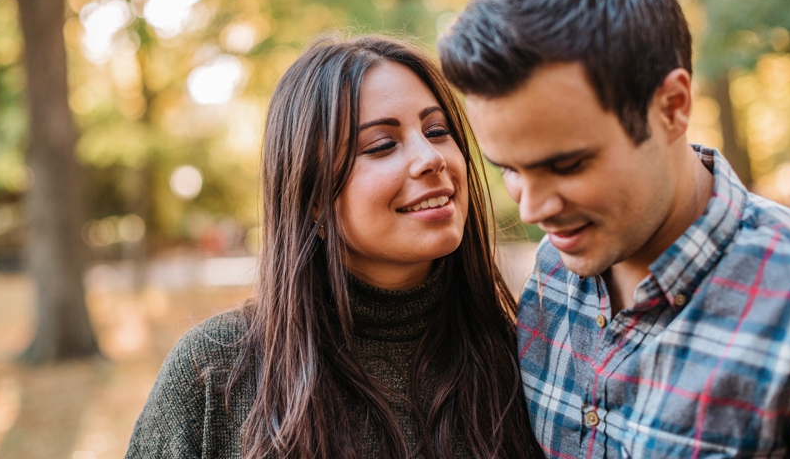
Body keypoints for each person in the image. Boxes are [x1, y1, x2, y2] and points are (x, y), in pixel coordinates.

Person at [438, 0, 790, 458]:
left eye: (567, 164)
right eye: (509, 169)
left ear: (672, 107)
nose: (532, 210)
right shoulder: (554, 273)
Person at [126, 35, 542, 459]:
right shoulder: (214, 374)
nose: (431, 157)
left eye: (437, 131)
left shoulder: (525, 361)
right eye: (382, 145)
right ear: (313, 200)